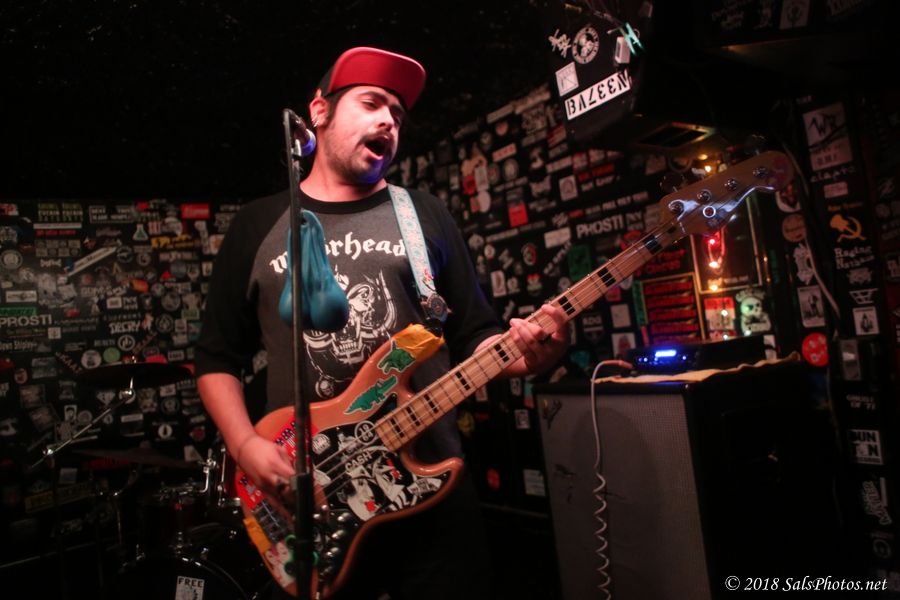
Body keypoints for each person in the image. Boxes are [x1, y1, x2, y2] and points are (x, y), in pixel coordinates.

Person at [195, 46, 569, 600]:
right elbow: (216, 357)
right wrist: (245, 445)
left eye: (397, 113)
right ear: (319, 112)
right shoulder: (259, 223)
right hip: (312, 495)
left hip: (430, 484)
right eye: (371, 103)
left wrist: (531, 354)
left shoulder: (424, 214)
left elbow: (477, 335)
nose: (389, 121)